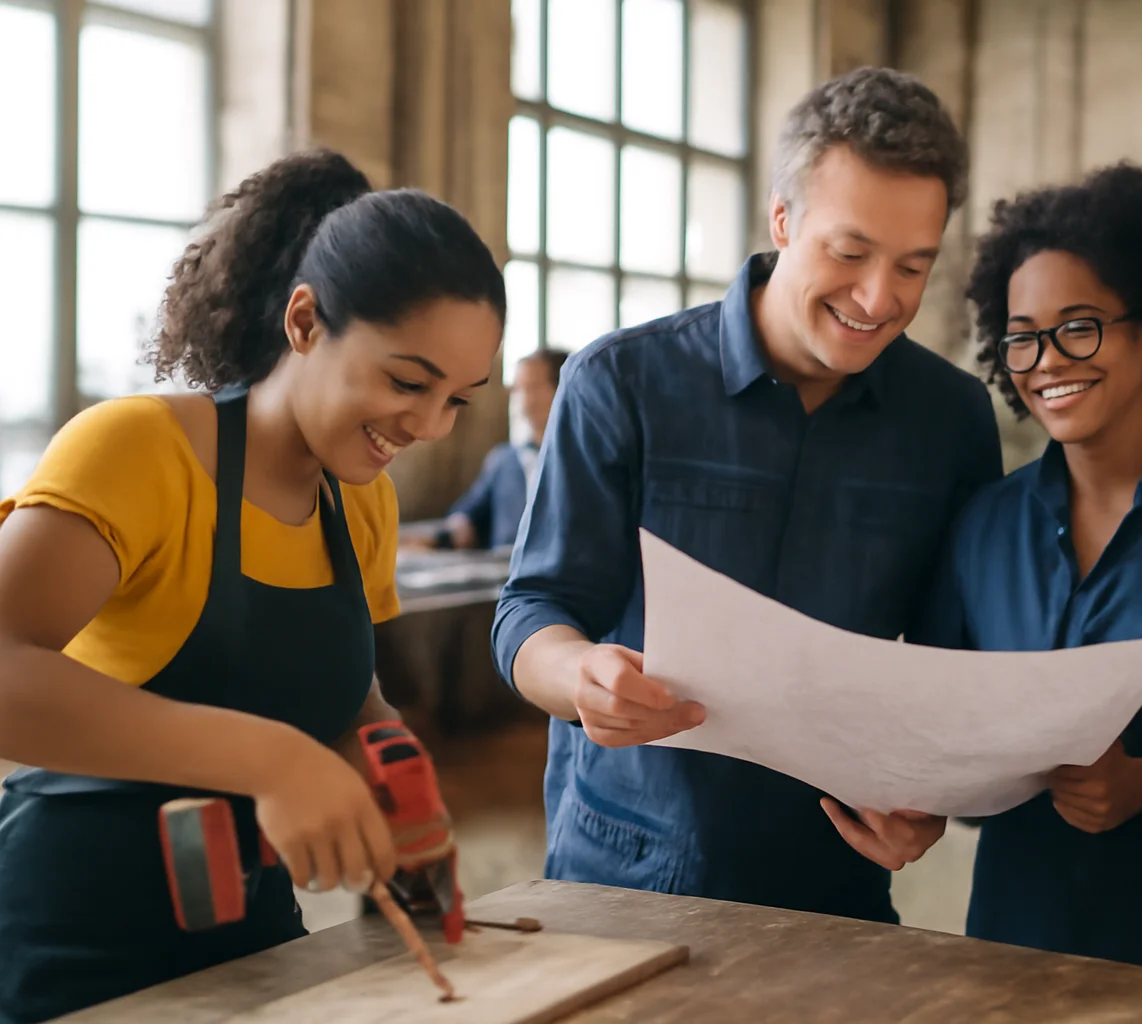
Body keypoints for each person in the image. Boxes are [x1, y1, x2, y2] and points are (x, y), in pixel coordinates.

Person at [0, 150, 506, 1023]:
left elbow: (351, 702)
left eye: (459, 400)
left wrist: (399, 795)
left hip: (255, 937)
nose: (426, 427)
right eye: (406, 382)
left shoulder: (363, 504)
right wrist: (269, 757)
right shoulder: (140, 450)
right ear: (304, 322)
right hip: (70, 941)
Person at [491, 67, 1002, 923]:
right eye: (849, 254)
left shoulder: (949, 420)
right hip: (620, 868)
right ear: (781, 220)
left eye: (914, 267)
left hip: (831, 882)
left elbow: (947, 667)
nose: (880, 299)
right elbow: (530, 610)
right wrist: (581, 673)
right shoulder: (621, 382)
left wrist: (925, 797)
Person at [892, 163, 1142, 1023]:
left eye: (1078, 329)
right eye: (1022, 337)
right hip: (1010, 938)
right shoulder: (984, 526)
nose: (1046, 364)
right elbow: (944, 720)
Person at [414, 347, 569, 551]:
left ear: (562, 389)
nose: (523, 398)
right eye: (518, 388)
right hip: (506, 566)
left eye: (533, 387)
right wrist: (453, 529)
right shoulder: (503, 460)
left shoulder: (585, 457)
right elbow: (469, 512)